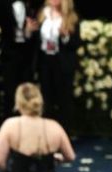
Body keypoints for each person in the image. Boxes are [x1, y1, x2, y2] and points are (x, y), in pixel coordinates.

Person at [0, 0, 39, 120]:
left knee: (27, 92)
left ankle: (27, 125)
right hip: (8, 55)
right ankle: (9, 127)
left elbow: (36, 31)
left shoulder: (30, 4)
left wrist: (29, 33)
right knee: (9, 94)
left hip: (27, 56)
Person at [34, 0, 80, 133]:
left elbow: (76, 43)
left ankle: (63, 136)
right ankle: (47, 135)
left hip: (62, 63)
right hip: (45, 62)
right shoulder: (42, 14)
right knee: (46, 100)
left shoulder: (71, 17)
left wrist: (65, 37)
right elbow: (36, 41)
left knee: (63, 101)